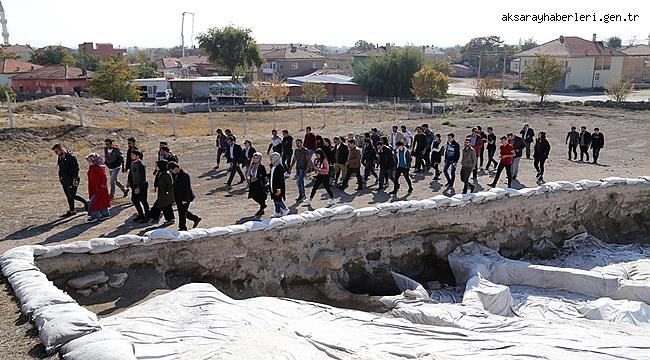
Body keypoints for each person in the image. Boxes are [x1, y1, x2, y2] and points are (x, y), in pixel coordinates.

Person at [52, 144, 88, 217]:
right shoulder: (60, 157)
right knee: (68, 196)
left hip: (72, 179)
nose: (56, 153)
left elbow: (76, 169)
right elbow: (60, 168)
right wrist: (60, 177)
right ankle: (72, 211)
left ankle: (86, 202)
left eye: (57, 151)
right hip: (64, 180)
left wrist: (75, 179)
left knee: (72, 195)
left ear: (61, 149)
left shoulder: (71, 157)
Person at [168, 162, 201, 231]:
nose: (172, 172)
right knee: (183, 211)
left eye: (172, 170)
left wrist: (185, 199)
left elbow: (187, 189)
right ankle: (195, 219)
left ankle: (182, 228)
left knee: (182, 213)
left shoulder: (184, 175)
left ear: (176, 168)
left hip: (185, 198)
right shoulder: (176, 174)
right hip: (179, 197)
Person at [85, 153, 111, 222]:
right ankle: (104, 214)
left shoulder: (99, 168)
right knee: (99, 201)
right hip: (94, 188)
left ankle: (94, 215)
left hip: (100, 188)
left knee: (94, 202)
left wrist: (103, 185)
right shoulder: (92, 168)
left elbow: (104, 177)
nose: (89, 162)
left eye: (90, 161)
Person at [148, 160, 175, 224]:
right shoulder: (161, 172)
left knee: (164, 206)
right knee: (162, 206)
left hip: (165, 194)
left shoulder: (166, 174)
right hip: (162, 193)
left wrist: (167, 192)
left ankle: (169, 219)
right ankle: (155, 218)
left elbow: (170, 184)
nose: (156, 167)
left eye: (157, 165)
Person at [127, 150, 149, 223]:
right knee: (134, 200)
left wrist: (138, 187)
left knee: (144, 201)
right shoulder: (132, 163)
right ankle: (140, 215)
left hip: (141, 185)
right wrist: (129, 182)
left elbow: (143, 177)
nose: (131, 156)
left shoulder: (141, 165)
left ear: (137, 156)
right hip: (134, 185)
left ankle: (147, 217)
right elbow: (130, 173)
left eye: (133, 155)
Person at [246, 152, 267, 217]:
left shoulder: (261, 167)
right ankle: (263, 206)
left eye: (256, 158)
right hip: (253, 183)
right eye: (254, 158)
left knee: (260, 196)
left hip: (259, 183)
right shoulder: (251, 166)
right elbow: (249, 174)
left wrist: (257, 178)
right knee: (252, 195)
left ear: (259, 159)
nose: (255, 159)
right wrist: (249, 180)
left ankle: (262, 209)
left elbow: (264, 175)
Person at [269, 152, 289, 217]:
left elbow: (280, 179)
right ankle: (277, 212)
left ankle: (285, 209)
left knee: (278, 200)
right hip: (273, 186)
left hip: (278, 187)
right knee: (275, 199)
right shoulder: (273, 166)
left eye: (271, 159)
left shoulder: (280, 167)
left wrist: (279, 189)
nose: (271, 160)